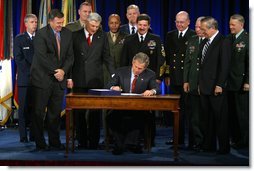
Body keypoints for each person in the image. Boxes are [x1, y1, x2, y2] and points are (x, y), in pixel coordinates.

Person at [68, 12, 115, 149]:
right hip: (79, 79)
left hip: (95, 80)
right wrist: (69, 77)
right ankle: (82, 142)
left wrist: (114, 76)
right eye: (93, 25)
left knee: (95, 113)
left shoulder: (102, 36)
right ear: (87, 22)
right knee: (79, 113)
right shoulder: (75, 35)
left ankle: (94, 142)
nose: (95, 29)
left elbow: (107, 57)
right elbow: (70, 58)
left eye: (97, 26)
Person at [30, 9, 74, 151]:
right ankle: (40, 143)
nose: (60, 25)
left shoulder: (67, 33)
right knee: (38, 113)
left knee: (54, 114)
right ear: (50, 21)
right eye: (58, 23)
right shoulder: (41, 34)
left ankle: (54, 142)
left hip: (58, 81)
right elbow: (42, 58)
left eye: (62, 22)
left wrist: (63, 71)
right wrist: (57, 71)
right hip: (42, 79)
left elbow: (70, 56)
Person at [121, 13, 164, 146]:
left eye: (145, 25)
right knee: (131, 110)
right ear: (136, 24)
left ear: (149, 26)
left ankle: (148, 140)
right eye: (140, 25)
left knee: (148, 112)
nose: (142, 27)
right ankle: (130, 139)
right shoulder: (128, 39)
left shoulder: (155, 39)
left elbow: (161, 60)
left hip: (149, 80)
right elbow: (124, 61)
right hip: (131, 80)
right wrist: (123, 78)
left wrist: (158, 78)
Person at [106, 52, 160, 155]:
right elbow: (108, 84)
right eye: (135, 67)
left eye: (140, 69)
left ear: (145, 68)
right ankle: (119, 145)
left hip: (139, 107)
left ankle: (132, 144)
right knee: (111, 117)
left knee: (141, 117)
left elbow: (157, 88)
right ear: (132, 62)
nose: (137, 70)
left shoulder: (150, 74)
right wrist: (113, 88)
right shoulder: (121, 71)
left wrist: (152, 91)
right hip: (120, 106)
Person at [199, 16, 231, 154]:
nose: (201, 31)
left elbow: (225, 66)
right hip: (205, 87)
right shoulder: (204, 43)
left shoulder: (224, 41)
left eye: (204, 29)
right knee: (207, 118)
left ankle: (224, 147)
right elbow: (202, 66)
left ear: (212, 28)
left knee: (220, 119)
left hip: (216, 87)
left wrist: (220, 85)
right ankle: (208, 145)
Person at [164, 11, 195, 146]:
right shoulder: (170, 35)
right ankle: (177, 138)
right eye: (177, 22)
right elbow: (167, 58)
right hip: (174, 78)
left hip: (187, 79)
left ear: (188, 22)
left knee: (190, 110)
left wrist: (189, 79)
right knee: (176, 110)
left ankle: (193, 140)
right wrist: (167, 74)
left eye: (182, 22)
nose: (179, 24)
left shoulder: (193, 35)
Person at [14, 14, 37, 143]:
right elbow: (19, 59)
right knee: (22, 109)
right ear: (26, 24)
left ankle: (34, 135)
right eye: (32, 22)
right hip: (24, 80)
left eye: (36, 22)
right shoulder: (19, 39)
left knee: (35, 109)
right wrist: (32, 72)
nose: (35, 24)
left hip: (37, 80)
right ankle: (23, 136)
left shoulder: (39, 38)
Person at [183, 16, 205, 151]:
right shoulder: (192, 41)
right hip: (191, 83)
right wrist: (186, 80)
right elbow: (187, 63)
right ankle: (194, 141)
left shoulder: (210, 41)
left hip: (204, 85)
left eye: (200, 27)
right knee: (192, 115)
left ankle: (202, 141)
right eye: (196, 27)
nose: (197, 30)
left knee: (201, 116)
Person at [227, 14, 249, 149]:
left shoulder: (248, 39)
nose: (230, 27)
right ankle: (235, 139)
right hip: (229, 83)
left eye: (233, 25)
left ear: (241, 24)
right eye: (229, 24)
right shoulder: (229, 39)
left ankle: (245, 141)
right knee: (232, 114)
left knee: (242, 115)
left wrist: (248, 81)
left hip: (242, 83)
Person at [104, 14, 128, 85]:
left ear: (120, 23)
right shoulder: (103, 37)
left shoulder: (127, 37)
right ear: (108, 24)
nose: (114, 25)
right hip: (106, 73)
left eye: (116, 23)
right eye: (111, 23)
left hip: (121, 72)